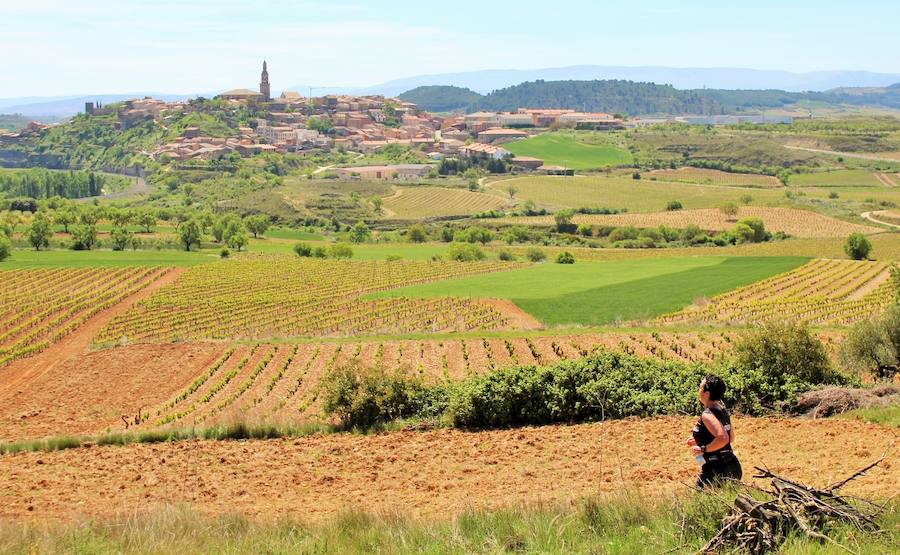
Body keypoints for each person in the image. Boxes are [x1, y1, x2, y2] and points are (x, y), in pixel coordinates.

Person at [688, 375, 742, 488]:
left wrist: (703, 449)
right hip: (732, 466)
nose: (698, 390)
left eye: (700, 387)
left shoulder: (707, 414)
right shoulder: (722, 410)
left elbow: (723, 438)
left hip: (716, 470)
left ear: (706, 393)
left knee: (702, 503)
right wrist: (700, 440)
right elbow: (730, 438)